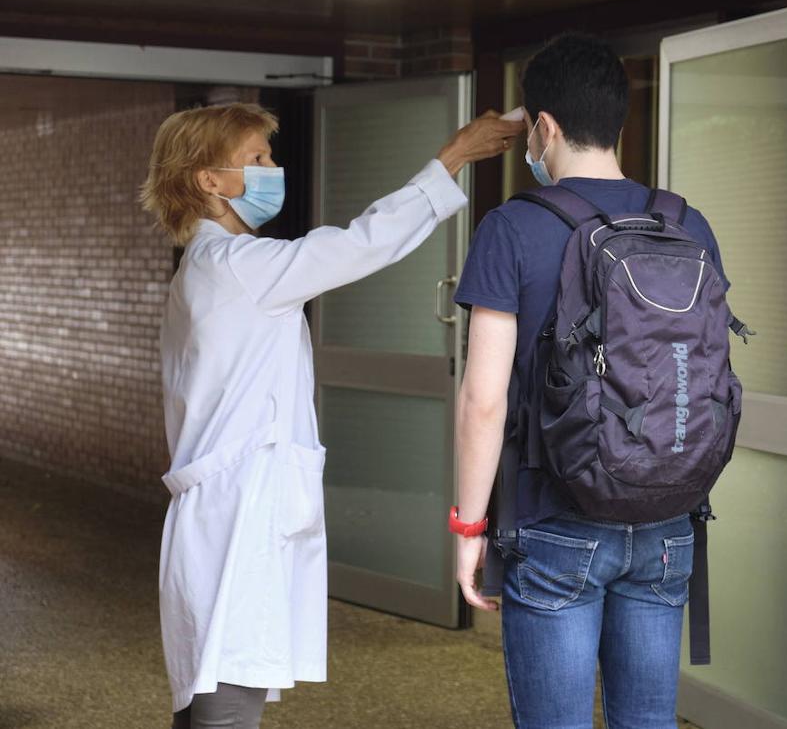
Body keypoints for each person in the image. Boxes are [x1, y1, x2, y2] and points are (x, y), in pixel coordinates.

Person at [141, 102, 522, 729]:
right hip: (238, 516)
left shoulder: (206, 269)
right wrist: (453, 156)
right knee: (227, 704)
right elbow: (360, 244)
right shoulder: (240, 268)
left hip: (222, 512)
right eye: (255, 159)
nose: (273, 168)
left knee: (211, 695)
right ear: (209, 180)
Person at [450, 33, 731, 729]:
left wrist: (468, 526)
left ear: (542, 127)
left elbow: (483, 399)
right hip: (669, 514)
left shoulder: (512, 226)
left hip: (555, 517)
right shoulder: (685, 221)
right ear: (619, 121)